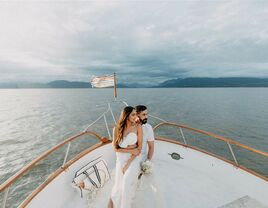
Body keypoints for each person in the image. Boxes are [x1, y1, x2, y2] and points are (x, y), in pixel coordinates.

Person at [108, 106, 143, 208]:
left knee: (126, 182)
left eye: (136, 114)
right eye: (133, 114)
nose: (135, 116)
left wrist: (128, 163)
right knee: (118, 186)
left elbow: (139, 148)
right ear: (126, 116)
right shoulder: (116, 128)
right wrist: (131, 149)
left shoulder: (138, 127)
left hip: (133, 159)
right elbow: (115, 148)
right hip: (120, 159)